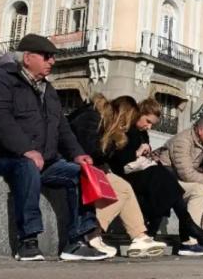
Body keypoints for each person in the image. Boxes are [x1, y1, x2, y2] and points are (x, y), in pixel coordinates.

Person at [0, 34, 107, 262]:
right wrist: (25, 149)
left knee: (81, 174)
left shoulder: (48, 90)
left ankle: (76, 242)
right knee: (26, 167)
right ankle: (28, 242)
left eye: (53, 57)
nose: (52, 62)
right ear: (28, 57)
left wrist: (77, 154)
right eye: (47, 57)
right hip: (0, 157)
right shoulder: (2, 81)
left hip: (44, 160)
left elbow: (62, 127)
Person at [103, 96, 203, 256]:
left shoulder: (143, 133)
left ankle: (160, 232)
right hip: (127, 175)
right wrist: (138, 153)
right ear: (138, 114)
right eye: (147, 121)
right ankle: (185, 226)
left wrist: (148, 156)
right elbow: (120, 160)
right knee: (163, 178)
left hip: (143, 174)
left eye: (151, 124)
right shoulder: (127, 129)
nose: (148, 127)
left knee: (163, 181)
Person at [68, 93, 167, 258]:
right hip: (73, 164)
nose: (127, 128)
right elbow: (92, 152)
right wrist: (116, 142)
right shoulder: (91, 117)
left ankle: (139, 237)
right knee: (122, 187)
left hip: (91, 166)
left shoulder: (105, 121)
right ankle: (91, 233)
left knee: (124, 187)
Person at [159, 115, 203, 238]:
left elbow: (196, 171)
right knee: (198, 190)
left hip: (178, 181)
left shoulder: (201, 143)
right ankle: (189, 240)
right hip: (165, 181)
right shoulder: (183, 141)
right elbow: (187, 174)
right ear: (201, 130)